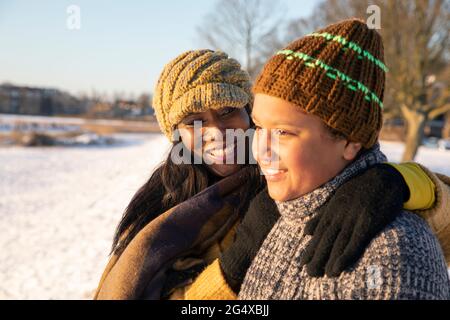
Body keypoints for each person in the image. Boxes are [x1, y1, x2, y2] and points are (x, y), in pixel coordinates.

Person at [94, 49, 449, 300]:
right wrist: (232, 269)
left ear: (250, 114)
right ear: (175, 134)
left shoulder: (290, 178)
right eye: (194, 122)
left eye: (228, 111)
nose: (216, 132)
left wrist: (399, 183)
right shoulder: (157, 206)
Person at [231, 18, 449, 299]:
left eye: (284, 132)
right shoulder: (284, 213)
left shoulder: (394, 252)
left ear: (350, 141)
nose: (261, 150)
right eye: (259, 127)